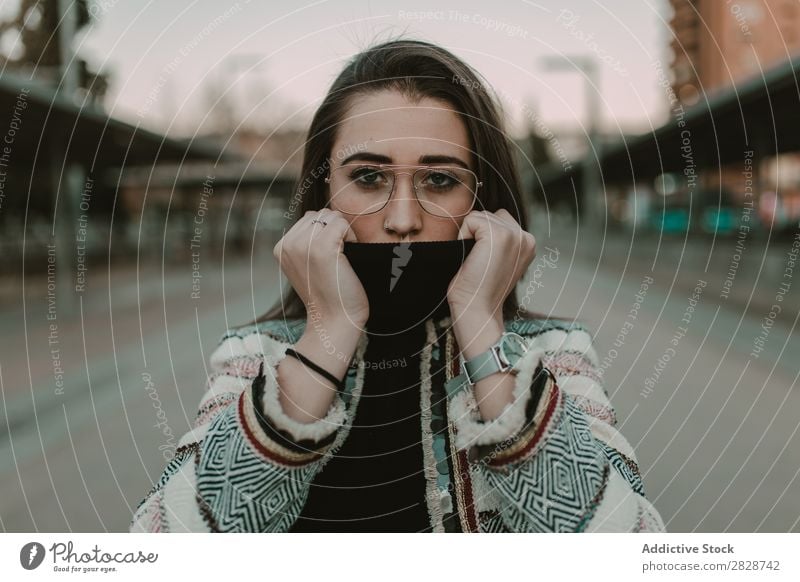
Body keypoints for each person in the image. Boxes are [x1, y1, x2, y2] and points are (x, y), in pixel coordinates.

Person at [129, 37, 666, 533]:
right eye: (369, 177)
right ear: (323, 199)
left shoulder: (553, 355)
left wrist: (482, 331)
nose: (403, 218)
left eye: (440, 179)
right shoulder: (254, 355)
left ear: (483, 206)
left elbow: (630, 542)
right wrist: (328, 333)